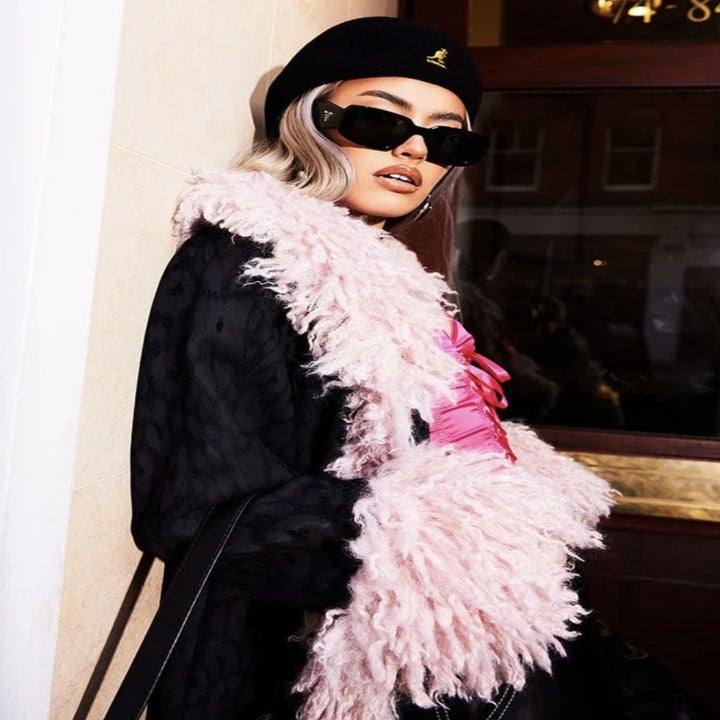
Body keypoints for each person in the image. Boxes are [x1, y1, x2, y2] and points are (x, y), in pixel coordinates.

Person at [130, 16, 618, 720]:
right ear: (311, 120)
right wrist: (455, 538)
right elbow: (196, 513)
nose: (415, 148)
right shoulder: (248, 264)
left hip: (429, 657)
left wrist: (506, 521)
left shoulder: (397, 284)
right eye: (380, 121)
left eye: (446, 138)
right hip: (297, 669)